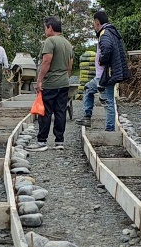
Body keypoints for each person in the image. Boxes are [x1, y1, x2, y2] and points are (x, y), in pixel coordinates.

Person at [80, 9, 130, 132]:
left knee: (108, 102)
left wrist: (102, 60)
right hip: (102, 75)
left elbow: (107, 49)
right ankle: (87, 117)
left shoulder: (105, 33)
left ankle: (109, 130)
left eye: (93, 24)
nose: (93, 27)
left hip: (105, 75)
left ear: (97, 22)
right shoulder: (111, 32)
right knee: (88, 89)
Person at [32, 16, 73, 151]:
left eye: (45, 27)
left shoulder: (50, 41)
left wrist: (39, 81)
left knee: (45, 112)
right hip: (63, 83)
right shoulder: (67, 43)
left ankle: (42, 142)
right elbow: (70, 65)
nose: (45, 30)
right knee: (60, 111)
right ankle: (59, 141)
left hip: (50, 83)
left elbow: (46, 62)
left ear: (50, 27)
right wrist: (65, 78)